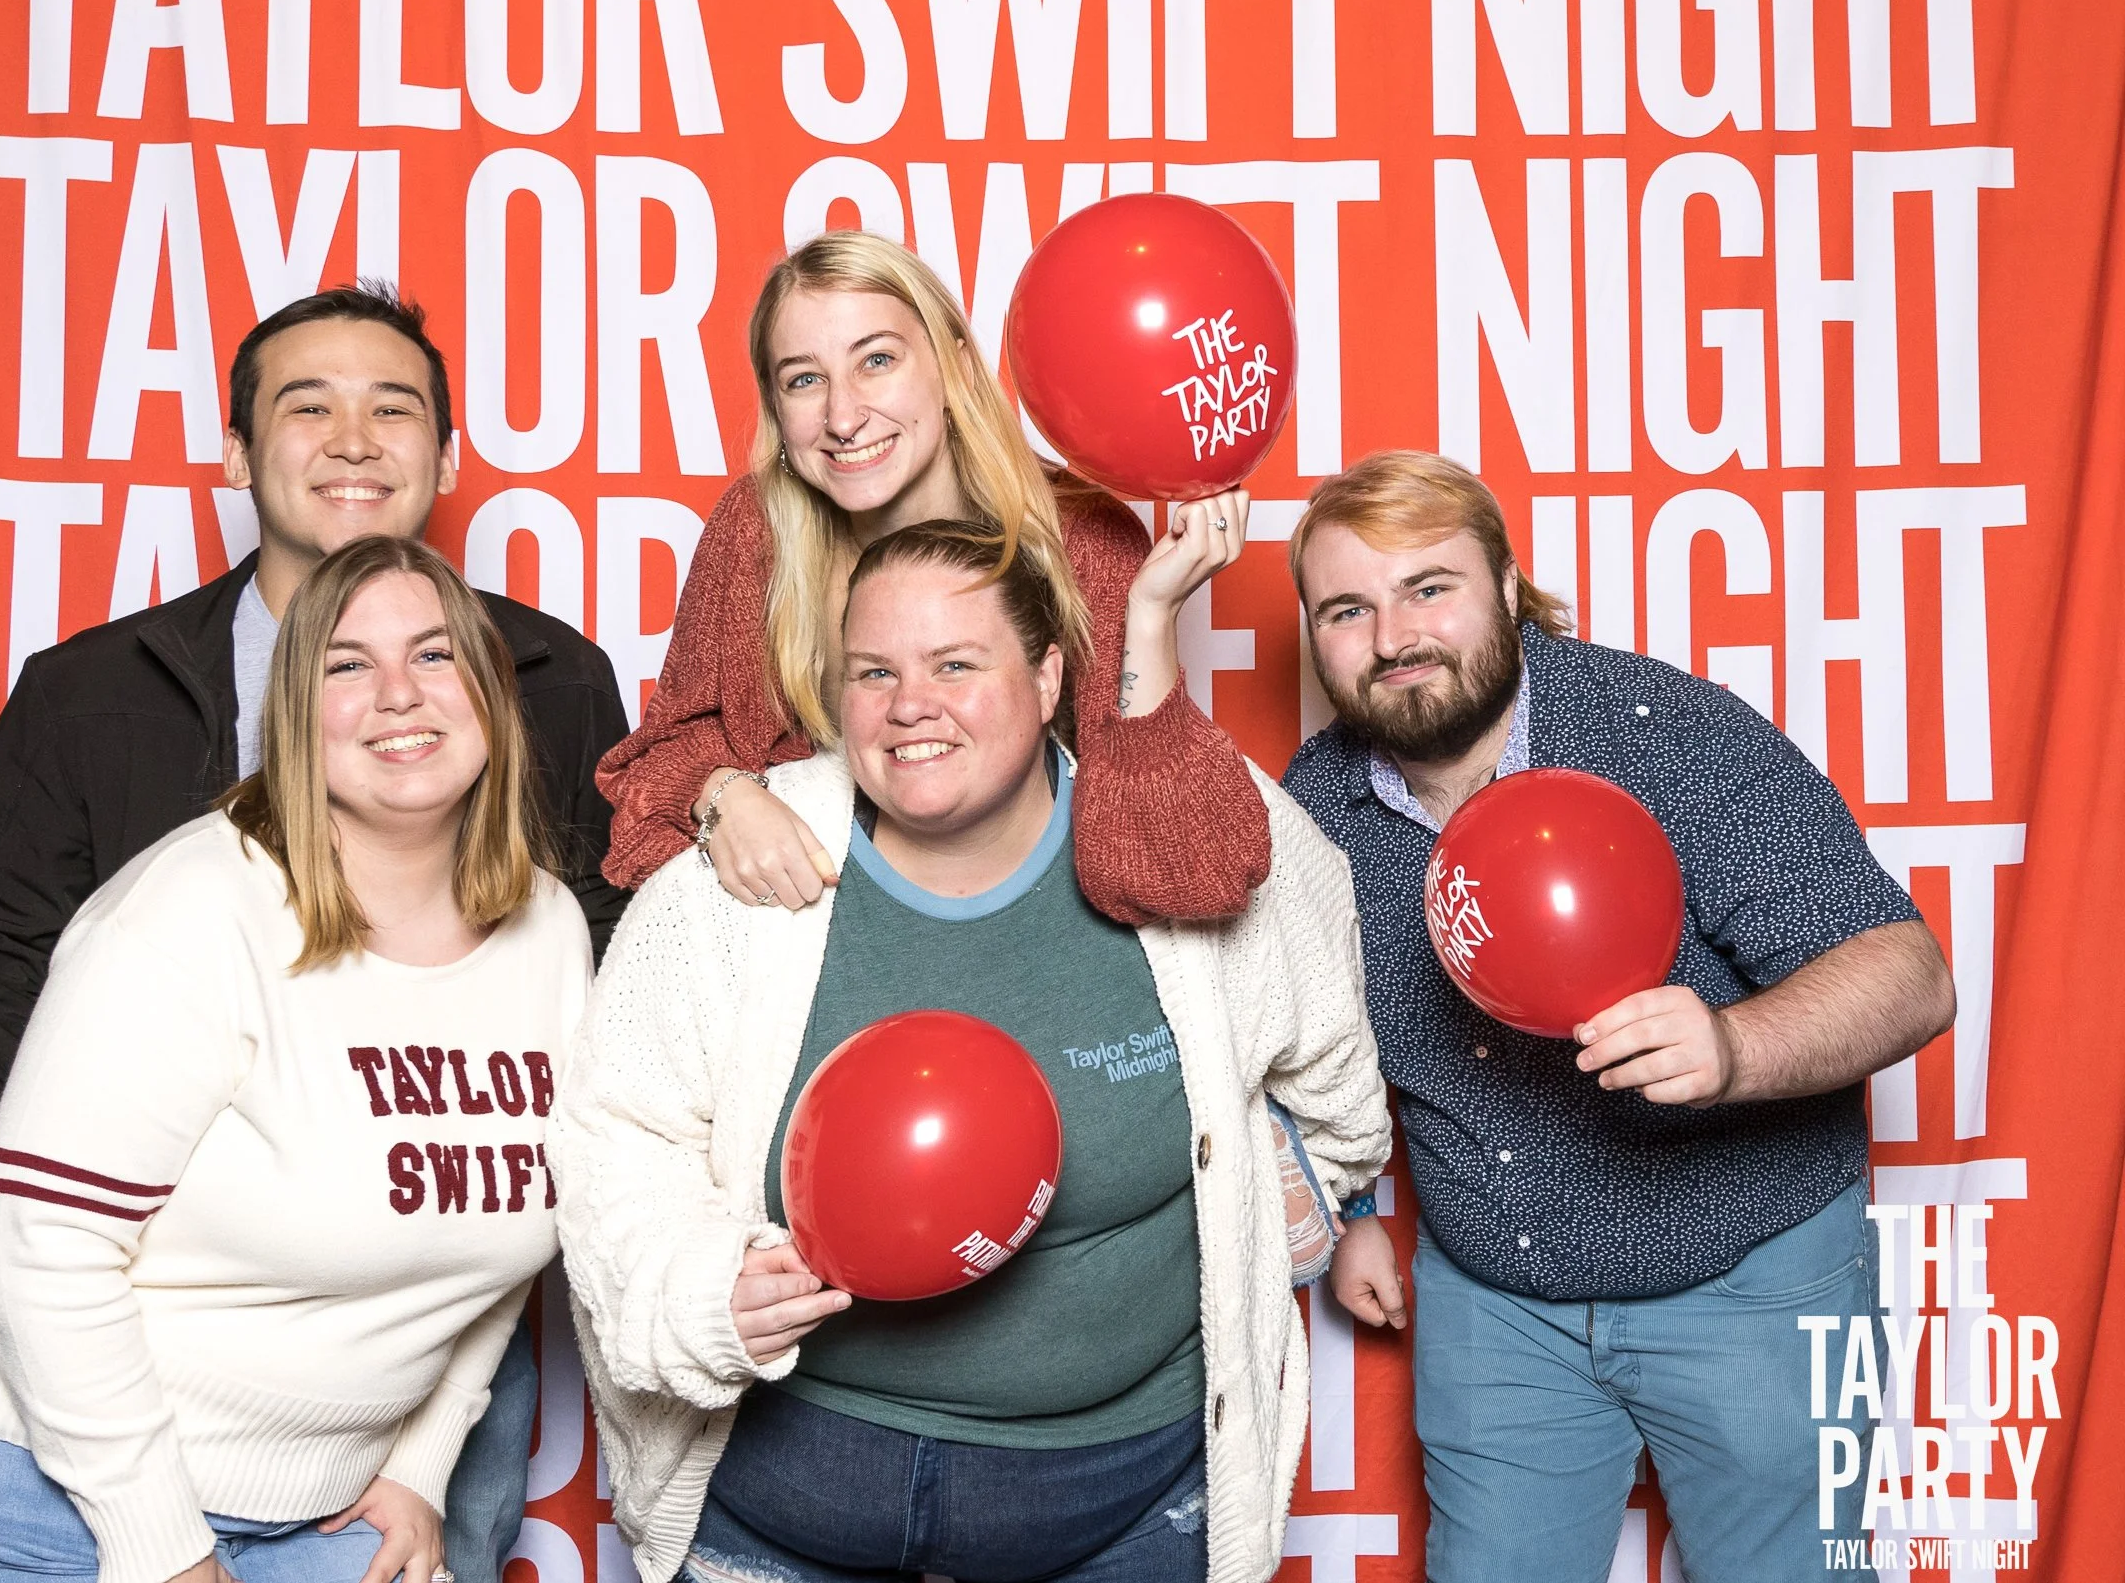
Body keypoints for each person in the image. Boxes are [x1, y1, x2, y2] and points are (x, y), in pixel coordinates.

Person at [0, 283, 626, 1579]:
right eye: (308, 407)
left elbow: (590, 999)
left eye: (392, 408)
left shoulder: (550, 683)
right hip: (120, 1328)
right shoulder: (93, 698)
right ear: (235, 455)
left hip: (428, 1286)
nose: (354, 440)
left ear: (448, 458)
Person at [555, 518, 1398, 1583]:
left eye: (956, 664)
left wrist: (1266, 1201)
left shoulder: (1189, 834)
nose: (911, 704)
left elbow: (1334, 1086)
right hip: (786, 1492)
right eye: (875, 671)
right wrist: (700, 1292)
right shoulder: (730, 886)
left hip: (1121, 1501)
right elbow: (617, 1140)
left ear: (1047, 678)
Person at [1281, 451, 1959, 1582]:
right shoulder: (1317, 805)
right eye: (1347, 608)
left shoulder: (1661, 732)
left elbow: (1909, 973)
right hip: (1501, 1306)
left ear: (1506, 586)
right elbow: (1304, 1035)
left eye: (1429, 587)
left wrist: (1736, 1046)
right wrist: (1345, 1203)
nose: (1394, 636)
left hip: (1751, 1278)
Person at [595, 229, 1270, 926]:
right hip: (821, 939)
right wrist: (723, 795)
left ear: (956, 369)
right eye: (804, 380)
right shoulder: (757, 530)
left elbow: (1176, 875)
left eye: (876, 360)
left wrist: (1151, 616)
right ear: (776, 409)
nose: (843, 417)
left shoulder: (1079, 537)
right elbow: (660, 762)